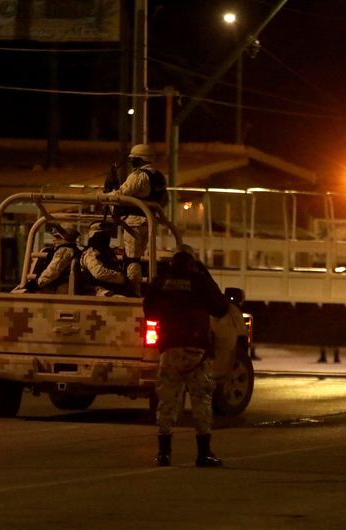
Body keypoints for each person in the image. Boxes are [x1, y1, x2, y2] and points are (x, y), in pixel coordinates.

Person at [143, 245, 229, 468]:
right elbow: (220, 307)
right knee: (201, 399)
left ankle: (164, 454)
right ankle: (203, 453)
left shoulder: (160, 281)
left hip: (169, 348)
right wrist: (206, 276)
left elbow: (150, 311)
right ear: (192, 262)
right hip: (196, 349)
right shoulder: (199, 281)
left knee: (167, 401)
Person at [107, 144, 169, 296]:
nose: (131, 162)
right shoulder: (159, 177)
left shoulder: (138, 176)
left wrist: (105, 195)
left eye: (133, 159)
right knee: (138, 258)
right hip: (148, 221)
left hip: (134, 222)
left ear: (140, 159)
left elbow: (121, 194)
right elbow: (164, 199)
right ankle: (138, 289)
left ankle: (133, 291)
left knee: (131, 259)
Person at [25, 223, 80, 294]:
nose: (54, 239)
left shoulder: (64, 250)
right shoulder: (71, 249)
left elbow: (53, 270)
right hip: (62, 287)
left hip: (58, 289)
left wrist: (37, 284)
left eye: (57, 236)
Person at [79, 221, 130, 297]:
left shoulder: (108, 252)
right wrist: (121, 277)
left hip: (112, 288)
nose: (106, 238)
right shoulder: (91, 253)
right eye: (102, 236)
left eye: (107, 235)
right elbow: (99, 273)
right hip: (97, 291)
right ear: (95, 236)